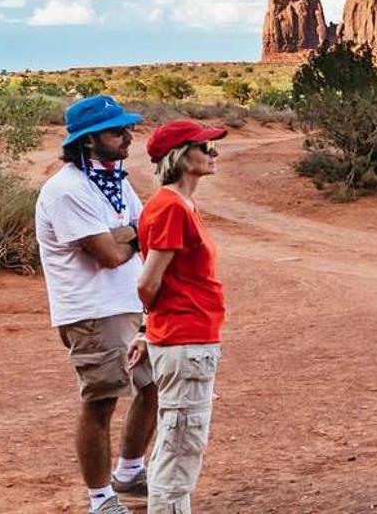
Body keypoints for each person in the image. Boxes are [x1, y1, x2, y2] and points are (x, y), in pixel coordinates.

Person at [34, 94, 158, 514]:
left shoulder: (114, 181)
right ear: (88, 141)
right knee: (101, 400)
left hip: (128, 303)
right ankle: (101, 499)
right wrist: (130, 235)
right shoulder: (68, 189)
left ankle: (129, 472)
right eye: (116, 131)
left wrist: (124, 234)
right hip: (91, 311)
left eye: (127, 128)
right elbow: (108, 255)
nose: (128, 136)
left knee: (152, 385)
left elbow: (139, 232)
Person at [133, 119, 230, 514]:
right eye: (203, 146)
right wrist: (158, 321)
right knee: (180, 448)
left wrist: (148, 328)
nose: (213, 153)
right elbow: (147, 283)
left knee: (177, 445)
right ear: (179, 156)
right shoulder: (172, 207)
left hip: (187, 337)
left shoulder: (179, 205)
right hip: (184, 339)